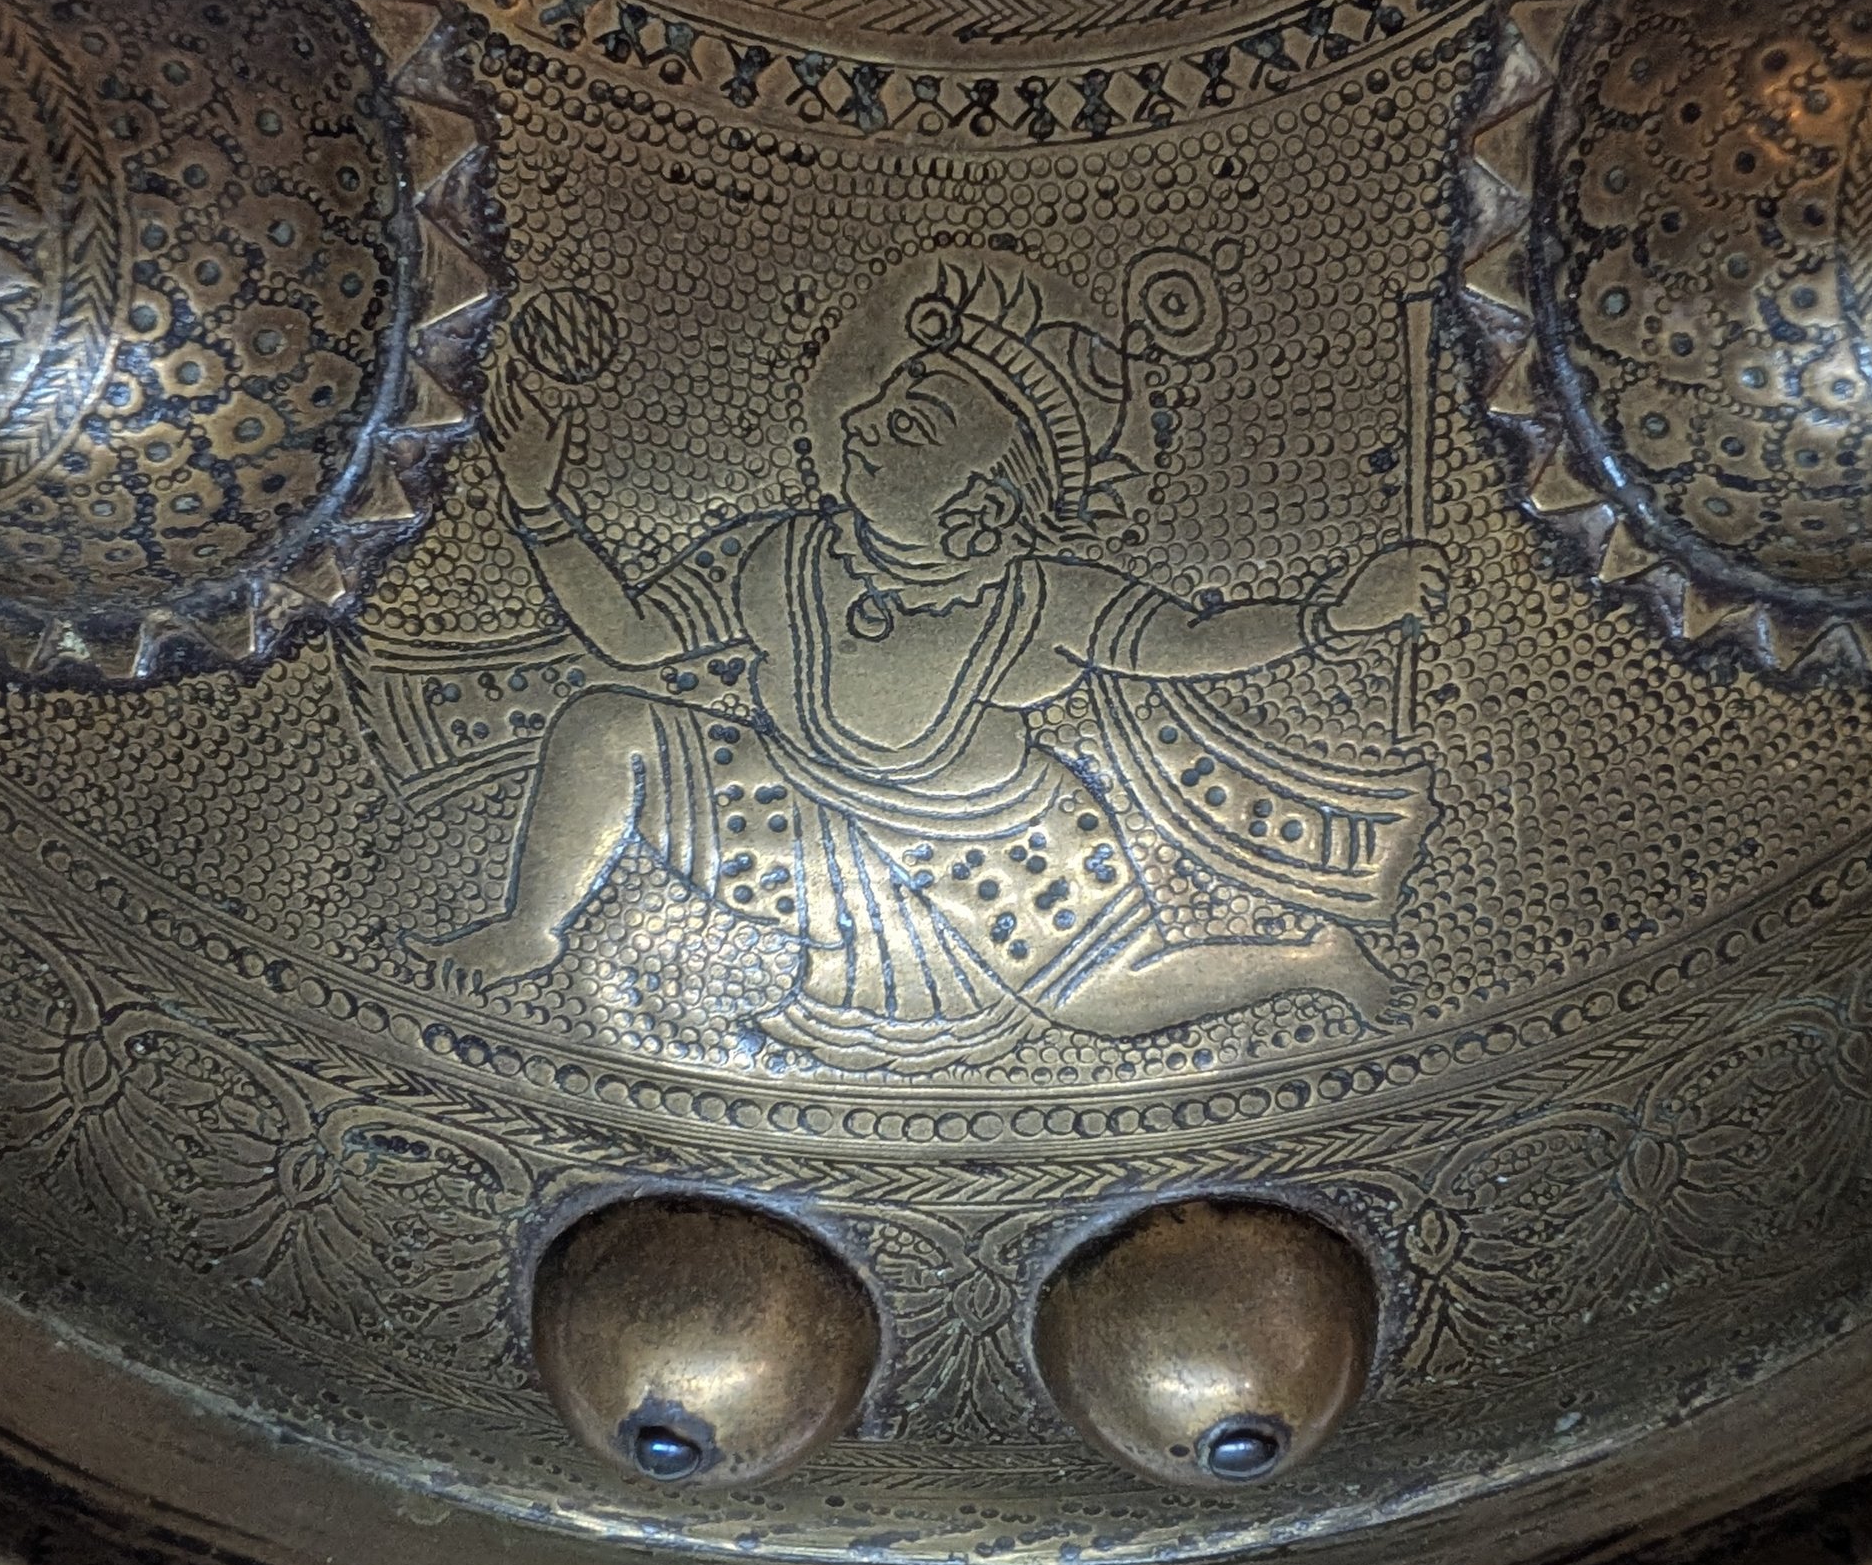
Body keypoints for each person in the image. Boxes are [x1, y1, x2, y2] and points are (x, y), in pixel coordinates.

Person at [425, 267, 1445, 1059]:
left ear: (986, 498)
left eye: (907, 426)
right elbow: (635, 638)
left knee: (1102, 1001)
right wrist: (538, 506)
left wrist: (1332, 617)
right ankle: (531, 927)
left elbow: (1190, 642)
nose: (858, 423)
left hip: (993, 841)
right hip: (795, 802)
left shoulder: (1041, 600)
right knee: (604, 724)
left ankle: (1310, 958)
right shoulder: (785, 556)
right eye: (877, 405)